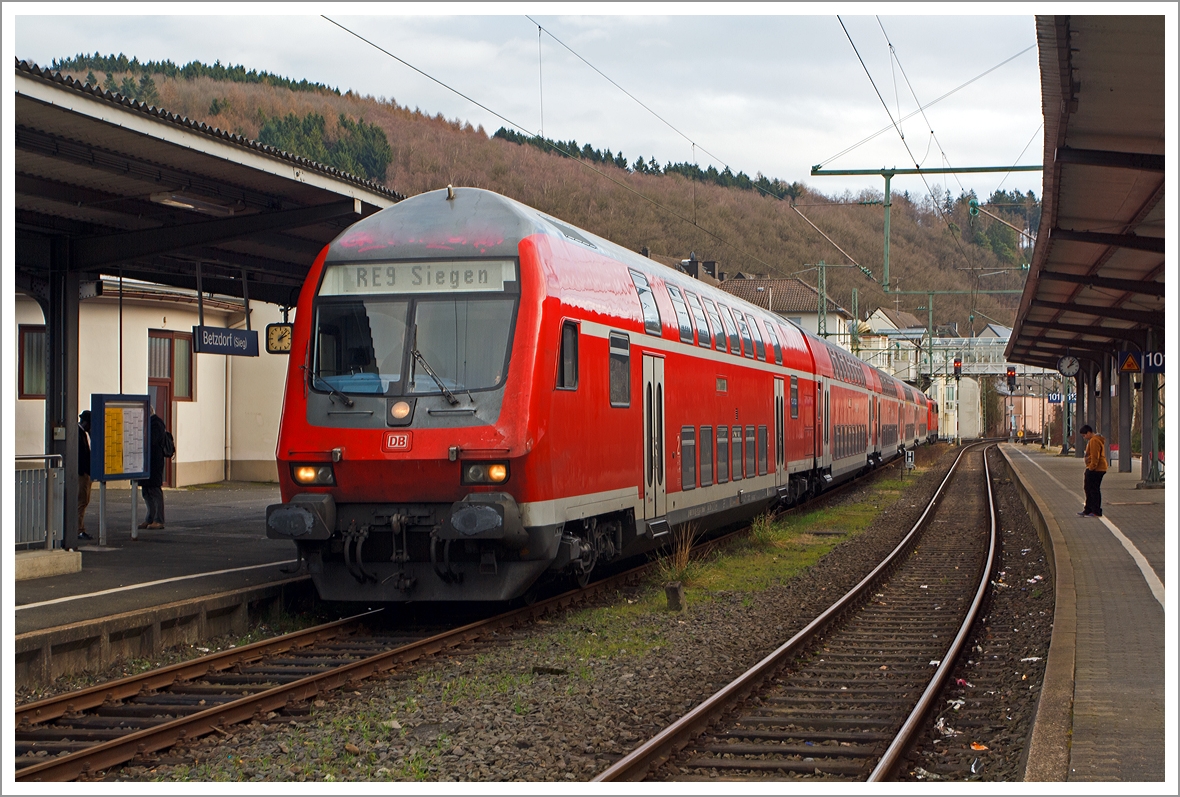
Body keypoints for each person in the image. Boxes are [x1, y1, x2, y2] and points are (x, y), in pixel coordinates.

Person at [140, 410, 168, 530]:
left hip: (154, 463)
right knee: (146, 492)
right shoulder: (150, 423)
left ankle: (158, 519)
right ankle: (150, 518)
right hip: (147, 463)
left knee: (155, 491)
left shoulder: (156, 423)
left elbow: (152, 440)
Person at [1078, 424, 1108, 518]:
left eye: (1084, 435)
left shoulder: (1094, 441)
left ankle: (1095, 511)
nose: (1084, 437)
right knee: (1089, 489)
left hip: (1096, 469)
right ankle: (1088, 509)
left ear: (1089, 432)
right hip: (1097, 468)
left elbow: (1095, 456)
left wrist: (1091, 468)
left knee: (1093, 490)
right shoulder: (1094, 440)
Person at [77, 410, 93, 541]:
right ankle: (79, 529)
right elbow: (83, 456)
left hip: (83, 472)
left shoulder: (80, 433)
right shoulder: (80, 434)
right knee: (82, 501)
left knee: (83, 501)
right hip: (82, 473)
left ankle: (79, 528)